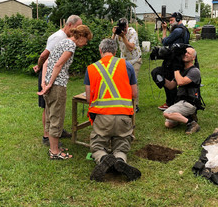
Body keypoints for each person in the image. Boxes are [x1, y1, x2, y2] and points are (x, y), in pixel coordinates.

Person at [84, 38, 141, 182]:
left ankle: (103, 158)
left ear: (100, 50)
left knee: (97, 146)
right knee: (122, 145)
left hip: (102, 117)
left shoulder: (91, 68)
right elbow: (134, 94)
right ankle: (120, 160)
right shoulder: (127, 65)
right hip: (123, 116)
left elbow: (89, 100)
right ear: (115, 51)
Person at [38, 25, 93, 160]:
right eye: (86, 40)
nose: (86, 43)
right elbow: (58, 65)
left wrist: (44, 83)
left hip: (49, 84)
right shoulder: (70, 45)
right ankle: (55, 152)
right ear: (81, 36)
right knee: (57, 117)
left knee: (51, 116)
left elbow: (46, 63)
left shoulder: (62, 42)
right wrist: (50, 84)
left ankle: (54, 147)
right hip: (57, 85)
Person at [33, 15, 82, 145]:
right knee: (48, 108)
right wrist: (39, 67)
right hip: (48, 75)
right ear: (70, 25)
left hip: (51, 76)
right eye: (78, 27)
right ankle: (46, 136)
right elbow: (45, 56)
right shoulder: (59, 37)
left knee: (54, 108)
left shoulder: (66, 39)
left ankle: (57, 132)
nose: (79, 30)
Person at [162, 47, 201, 134]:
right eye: (185, 52)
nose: (186, 54)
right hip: (180, 101)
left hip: (190, 103)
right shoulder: (182, 70)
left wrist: (176, 69)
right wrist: (161, 79)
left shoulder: (194, 71)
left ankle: (192, 124)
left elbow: (180, 82)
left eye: (189, 53)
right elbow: (171, 86)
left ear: (193, 58)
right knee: (168, 124)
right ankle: (188, 116)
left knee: (167, 113)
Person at [157, 12, 190, 111]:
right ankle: (175, 101)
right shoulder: (185, 30)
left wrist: (164, 30)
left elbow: (164, 42)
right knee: (175, 81)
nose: (170, 22)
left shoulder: (177, 31)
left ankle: (170, 102)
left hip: (173, 60)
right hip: (181, 59)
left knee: (167, 80)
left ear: (178, 19)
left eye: (171, 20)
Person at [111, 18, 142, 113]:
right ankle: (124, 102)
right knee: (123, 81)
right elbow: (111, 44)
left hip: (135, 60)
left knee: (133, 81)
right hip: (124, 60)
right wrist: (114, 34)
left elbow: (131, 47)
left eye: (125, 27)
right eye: (122, 27)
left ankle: (135, 105)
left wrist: (123, 36)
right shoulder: (118, 32)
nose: (124, 29)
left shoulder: (132, 32)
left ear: (127, 25)